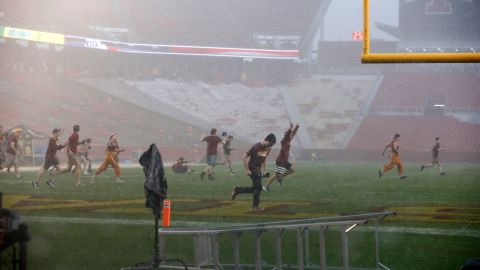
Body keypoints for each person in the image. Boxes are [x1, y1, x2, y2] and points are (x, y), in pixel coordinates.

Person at [231, 133, 276, 211]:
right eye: (270, 144)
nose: (270, 146)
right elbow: (244, 157)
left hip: (258, 169)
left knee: (255, 188)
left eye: (271, 145)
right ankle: (255, 206)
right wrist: (247, 170)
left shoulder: (267, 148)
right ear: (267, 140)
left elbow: (263, 159)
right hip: (252, 168)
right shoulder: (255, 147)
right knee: (258, 187)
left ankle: (237, 190)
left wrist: (264, 170)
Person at [263, 123, 299, 191]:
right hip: (280, 160)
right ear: (286, 135)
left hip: (284, 161)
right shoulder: (284, 141)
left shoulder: (288, 140)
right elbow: (288, 134)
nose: (291, 135)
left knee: (292, 170)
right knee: (275, 174)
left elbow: (292, 134)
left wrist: (297, 127)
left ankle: (281, 176)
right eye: (289, 134)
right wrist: (290, 128)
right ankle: (266, 186)